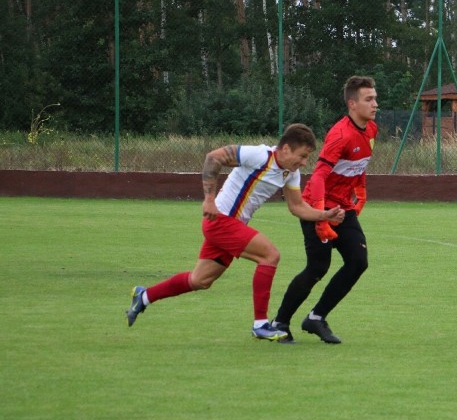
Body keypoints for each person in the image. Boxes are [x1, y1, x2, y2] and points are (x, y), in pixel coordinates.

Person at [125, 124, 344, 341]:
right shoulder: (259, 155)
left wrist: (325, 215)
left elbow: (296, 207)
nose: (304, 162)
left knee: (200, 280)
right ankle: (260, 324)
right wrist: (209, 200)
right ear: (286, 148)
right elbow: (214, 157)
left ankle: (144, 296)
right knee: (270, 255)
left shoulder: (290, 173)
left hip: (230, 227)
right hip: (220, 221)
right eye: (302, 156)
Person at [270, 76, 379, 344]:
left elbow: (359, 165)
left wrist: (360, 194)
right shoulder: (340, 135)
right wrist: (320, 218)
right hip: (317, 205)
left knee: (358, 262)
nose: (375, 104)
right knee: (318, 267)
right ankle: (279, 322)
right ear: (352, 104)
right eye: (369, 99)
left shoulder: (372, 129)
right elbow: (318, 176)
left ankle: (316, 318)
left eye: (375, 98)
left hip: (344, 207)